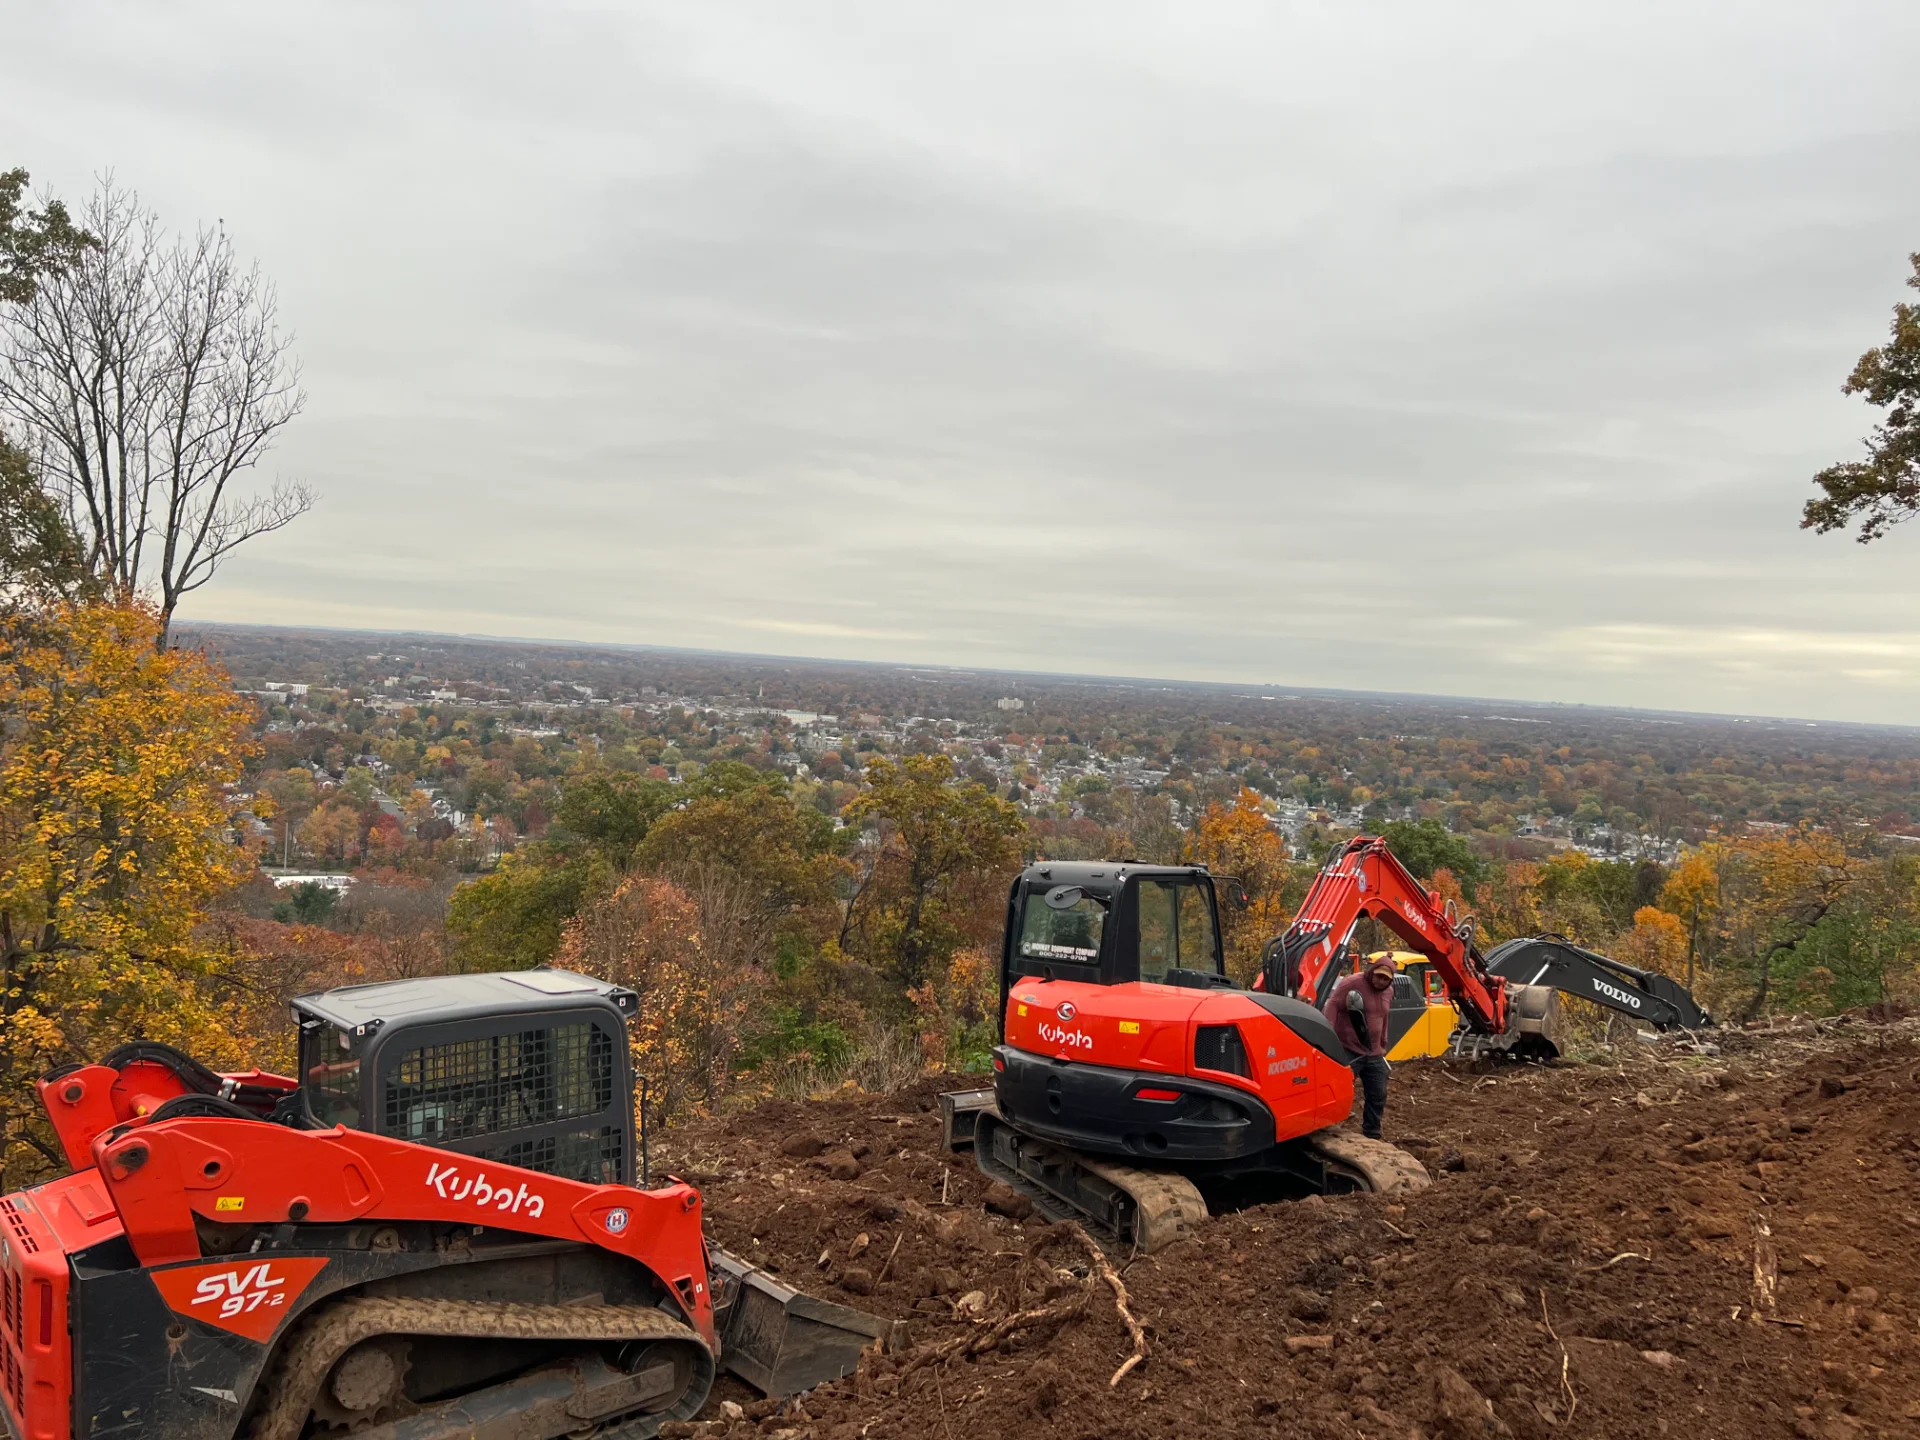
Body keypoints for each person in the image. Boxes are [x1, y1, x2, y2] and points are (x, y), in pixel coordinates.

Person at [1322, 954, 1397, 1140]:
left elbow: (1384, 1016)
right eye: (1379, 976)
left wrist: (1384, 1041)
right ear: (1372, 971)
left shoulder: (1388, 991)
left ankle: (1372, 1133)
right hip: (1349, 1048)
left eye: (1386, 979)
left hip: (1374, 1052)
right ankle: (1328, 1129)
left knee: (1378, 1093)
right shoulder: (1352, 983)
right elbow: (1333, 1005)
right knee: (1338, 1090)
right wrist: (1328, 1036)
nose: (1381, 981)